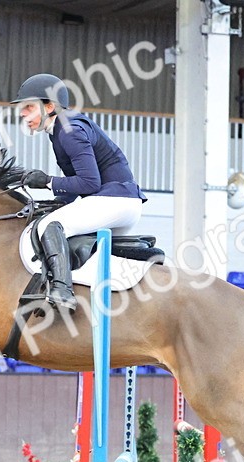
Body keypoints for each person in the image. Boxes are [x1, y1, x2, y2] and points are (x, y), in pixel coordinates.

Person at [12, 73, 146, 310]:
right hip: (117, 202)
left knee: (48, 226)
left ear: (50, 106)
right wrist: (51, 202)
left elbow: (89, 183)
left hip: (113, 200)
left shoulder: (70, 130)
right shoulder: (60, 130)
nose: (22, 114)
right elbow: (73, 189)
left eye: (29, 107)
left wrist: (46, 181)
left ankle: (62, 291)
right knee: (51, 219)